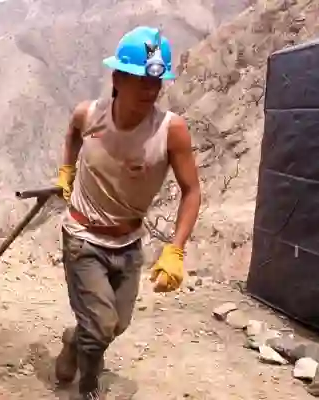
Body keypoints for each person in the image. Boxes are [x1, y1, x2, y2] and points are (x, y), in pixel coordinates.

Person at [53, 26, 201, 399]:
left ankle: (75, 339)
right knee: (102, 326)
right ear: (117, 77)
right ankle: (88, 388)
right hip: (83, 237)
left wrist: (176, 249)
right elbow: (72, 132)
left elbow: (192, 191)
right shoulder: (89, 115)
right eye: (139, 81)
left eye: (156, 84)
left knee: (116, 325)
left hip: (129, 243)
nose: (150, 92)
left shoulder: (171, 131)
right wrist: (67, 170)